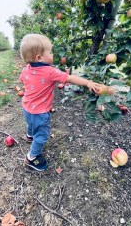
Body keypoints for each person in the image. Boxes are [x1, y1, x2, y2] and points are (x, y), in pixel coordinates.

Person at [19, 34, 100, 171]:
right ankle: (32, 157)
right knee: (42, 135)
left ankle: (30, 135)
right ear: (39, 57)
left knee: (31, 124)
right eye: (50, 52)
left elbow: (23, 80)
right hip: (40, 113)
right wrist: (87, 82)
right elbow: (69, 78)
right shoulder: (50, 72)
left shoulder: (26, 69)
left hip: (26, 107)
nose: (53, 54)